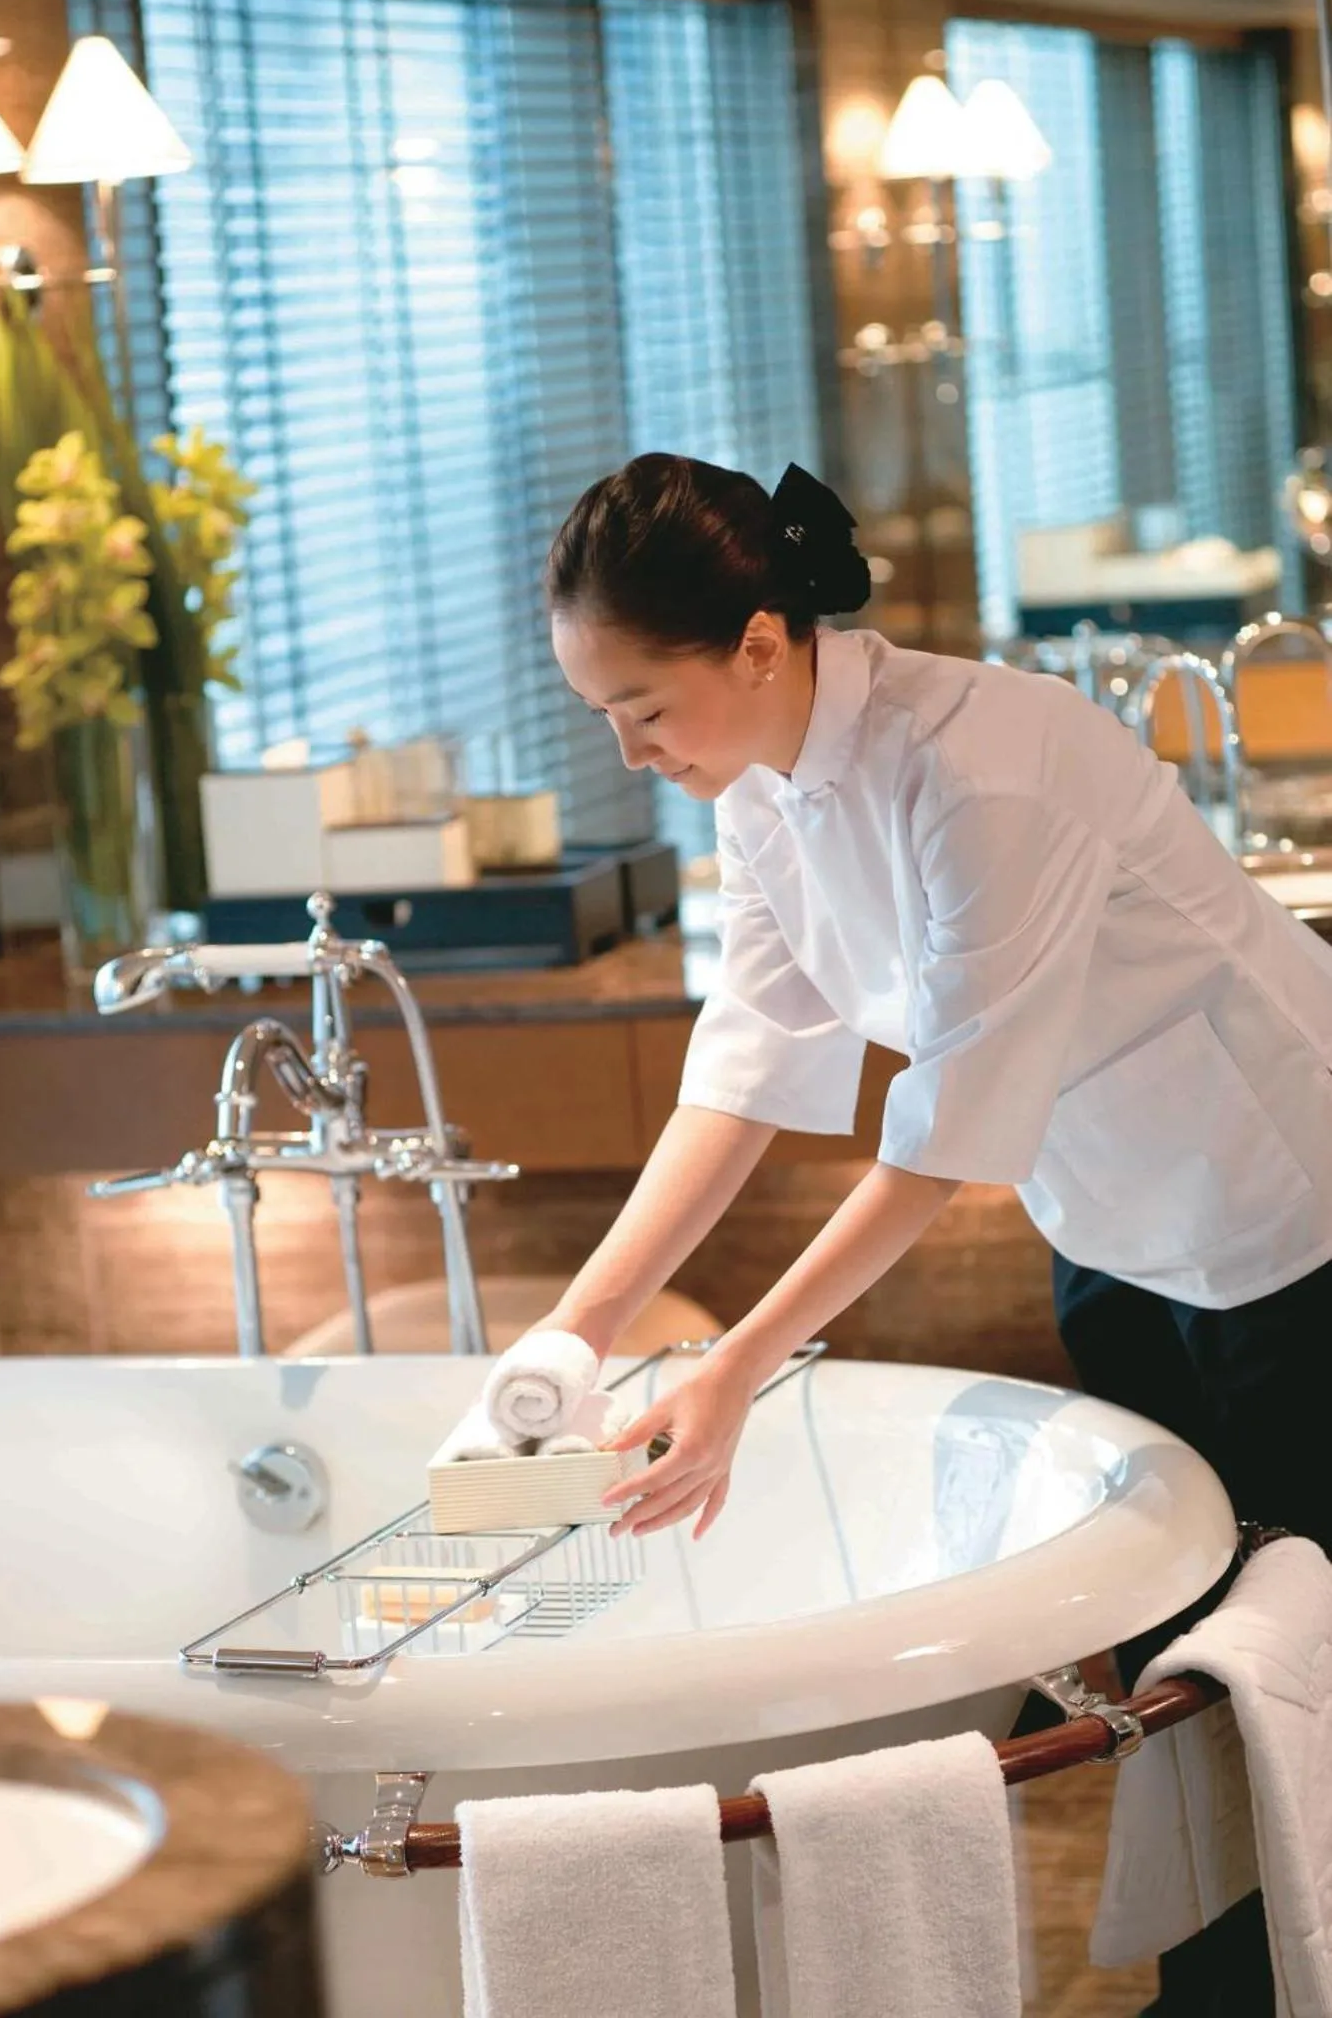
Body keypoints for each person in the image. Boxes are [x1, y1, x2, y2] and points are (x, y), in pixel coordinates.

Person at [525, 451, 1332, 2014]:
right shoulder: (757, 785)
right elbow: (749, 1065)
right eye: (601, 716)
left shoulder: (987, 768)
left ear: (759, 642)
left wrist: (742, 1365)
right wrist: (581, 1326)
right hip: (1105, 1214)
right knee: (1183, 1660)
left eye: (644, 707)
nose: (629, 752)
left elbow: (935, 1141)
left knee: (1300, 1652)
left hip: (1285, 1213)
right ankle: (1227, 1987)